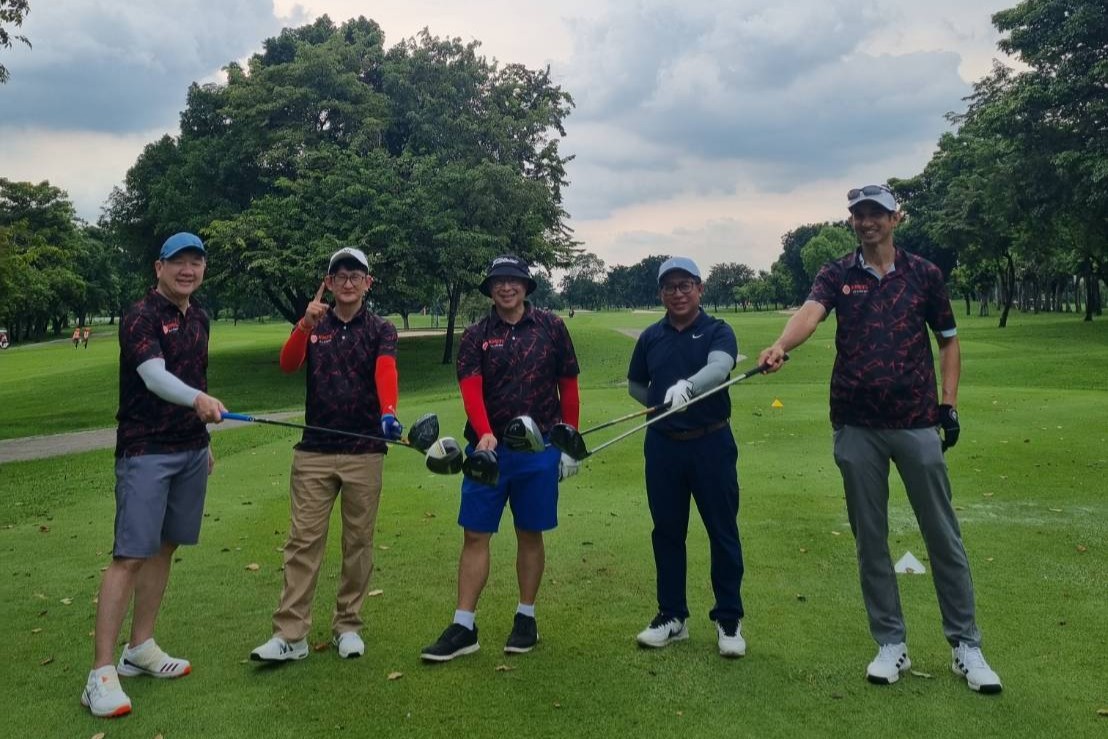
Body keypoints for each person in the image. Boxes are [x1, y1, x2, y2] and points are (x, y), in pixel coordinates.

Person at [757, 184, 1002, 693]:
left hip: (916, 421)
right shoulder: (837, 273)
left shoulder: (924, 274)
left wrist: (949, 404)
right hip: (856, 424)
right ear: (852, 220)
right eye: (859, 214)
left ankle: (966, 645)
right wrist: (781, 344)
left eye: (877, 213)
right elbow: (810, 312)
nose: (867, 221)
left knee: (942, 535)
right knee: (871, 539)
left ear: (896, 218)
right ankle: (891, 644)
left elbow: (948, 341)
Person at [82, 232, 227, 718]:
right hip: (145, 449)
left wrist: (203, 438)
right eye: (178, 261)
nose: (188, 270)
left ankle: (140, 647)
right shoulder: (140, 316)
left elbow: (195, 378)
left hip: (190, 448)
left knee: (166, 546)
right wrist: (198, 401)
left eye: (196, 262)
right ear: (158, 268)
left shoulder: (200, 317)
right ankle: (101, 674)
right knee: (129, 555)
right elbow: (154, 375)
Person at [420, 255, 580, 662]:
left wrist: (568, 441)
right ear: (490, 290)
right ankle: (464, 626)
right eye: (498, 282)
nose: (506, 287)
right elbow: (471, 388)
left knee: (530, 532)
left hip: (538, 449)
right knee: (475, 534)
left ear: (526, 286)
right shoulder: (476, 335)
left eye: (513, 281)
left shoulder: (552, 327)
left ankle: (526, 618)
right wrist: (485, 431)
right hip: (487, 451)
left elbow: (568, 386)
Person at [250, 247, 401, 664]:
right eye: (340, 276)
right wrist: (304, 324)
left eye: (356, 276)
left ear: (368, 283)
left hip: (364, 450)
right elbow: (288, 364)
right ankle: (290, 635)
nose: (348, 283)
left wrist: (388, 412)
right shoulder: (315, 324)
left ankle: (347, 626)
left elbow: (385, 370)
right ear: (329, 283)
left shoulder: (382, 329)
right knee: (303, 541)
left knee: (358, 542)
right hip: (315, 450)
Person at [626, 257, 747, 658]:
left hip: (711, 442)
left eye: (685, 285)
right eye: (669, 287)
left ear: (699, 288)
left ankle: (728, 618)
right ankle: (672, 616)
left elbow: (720, 367)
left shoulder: (717, 330)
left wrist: (688, 388)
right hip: (663, 445)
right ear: (661, 293)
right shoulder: (651, 336)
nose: (677, 293)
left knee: (722, 531)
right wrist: (662, 406)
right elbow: (635, 385)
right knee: (667, 532)